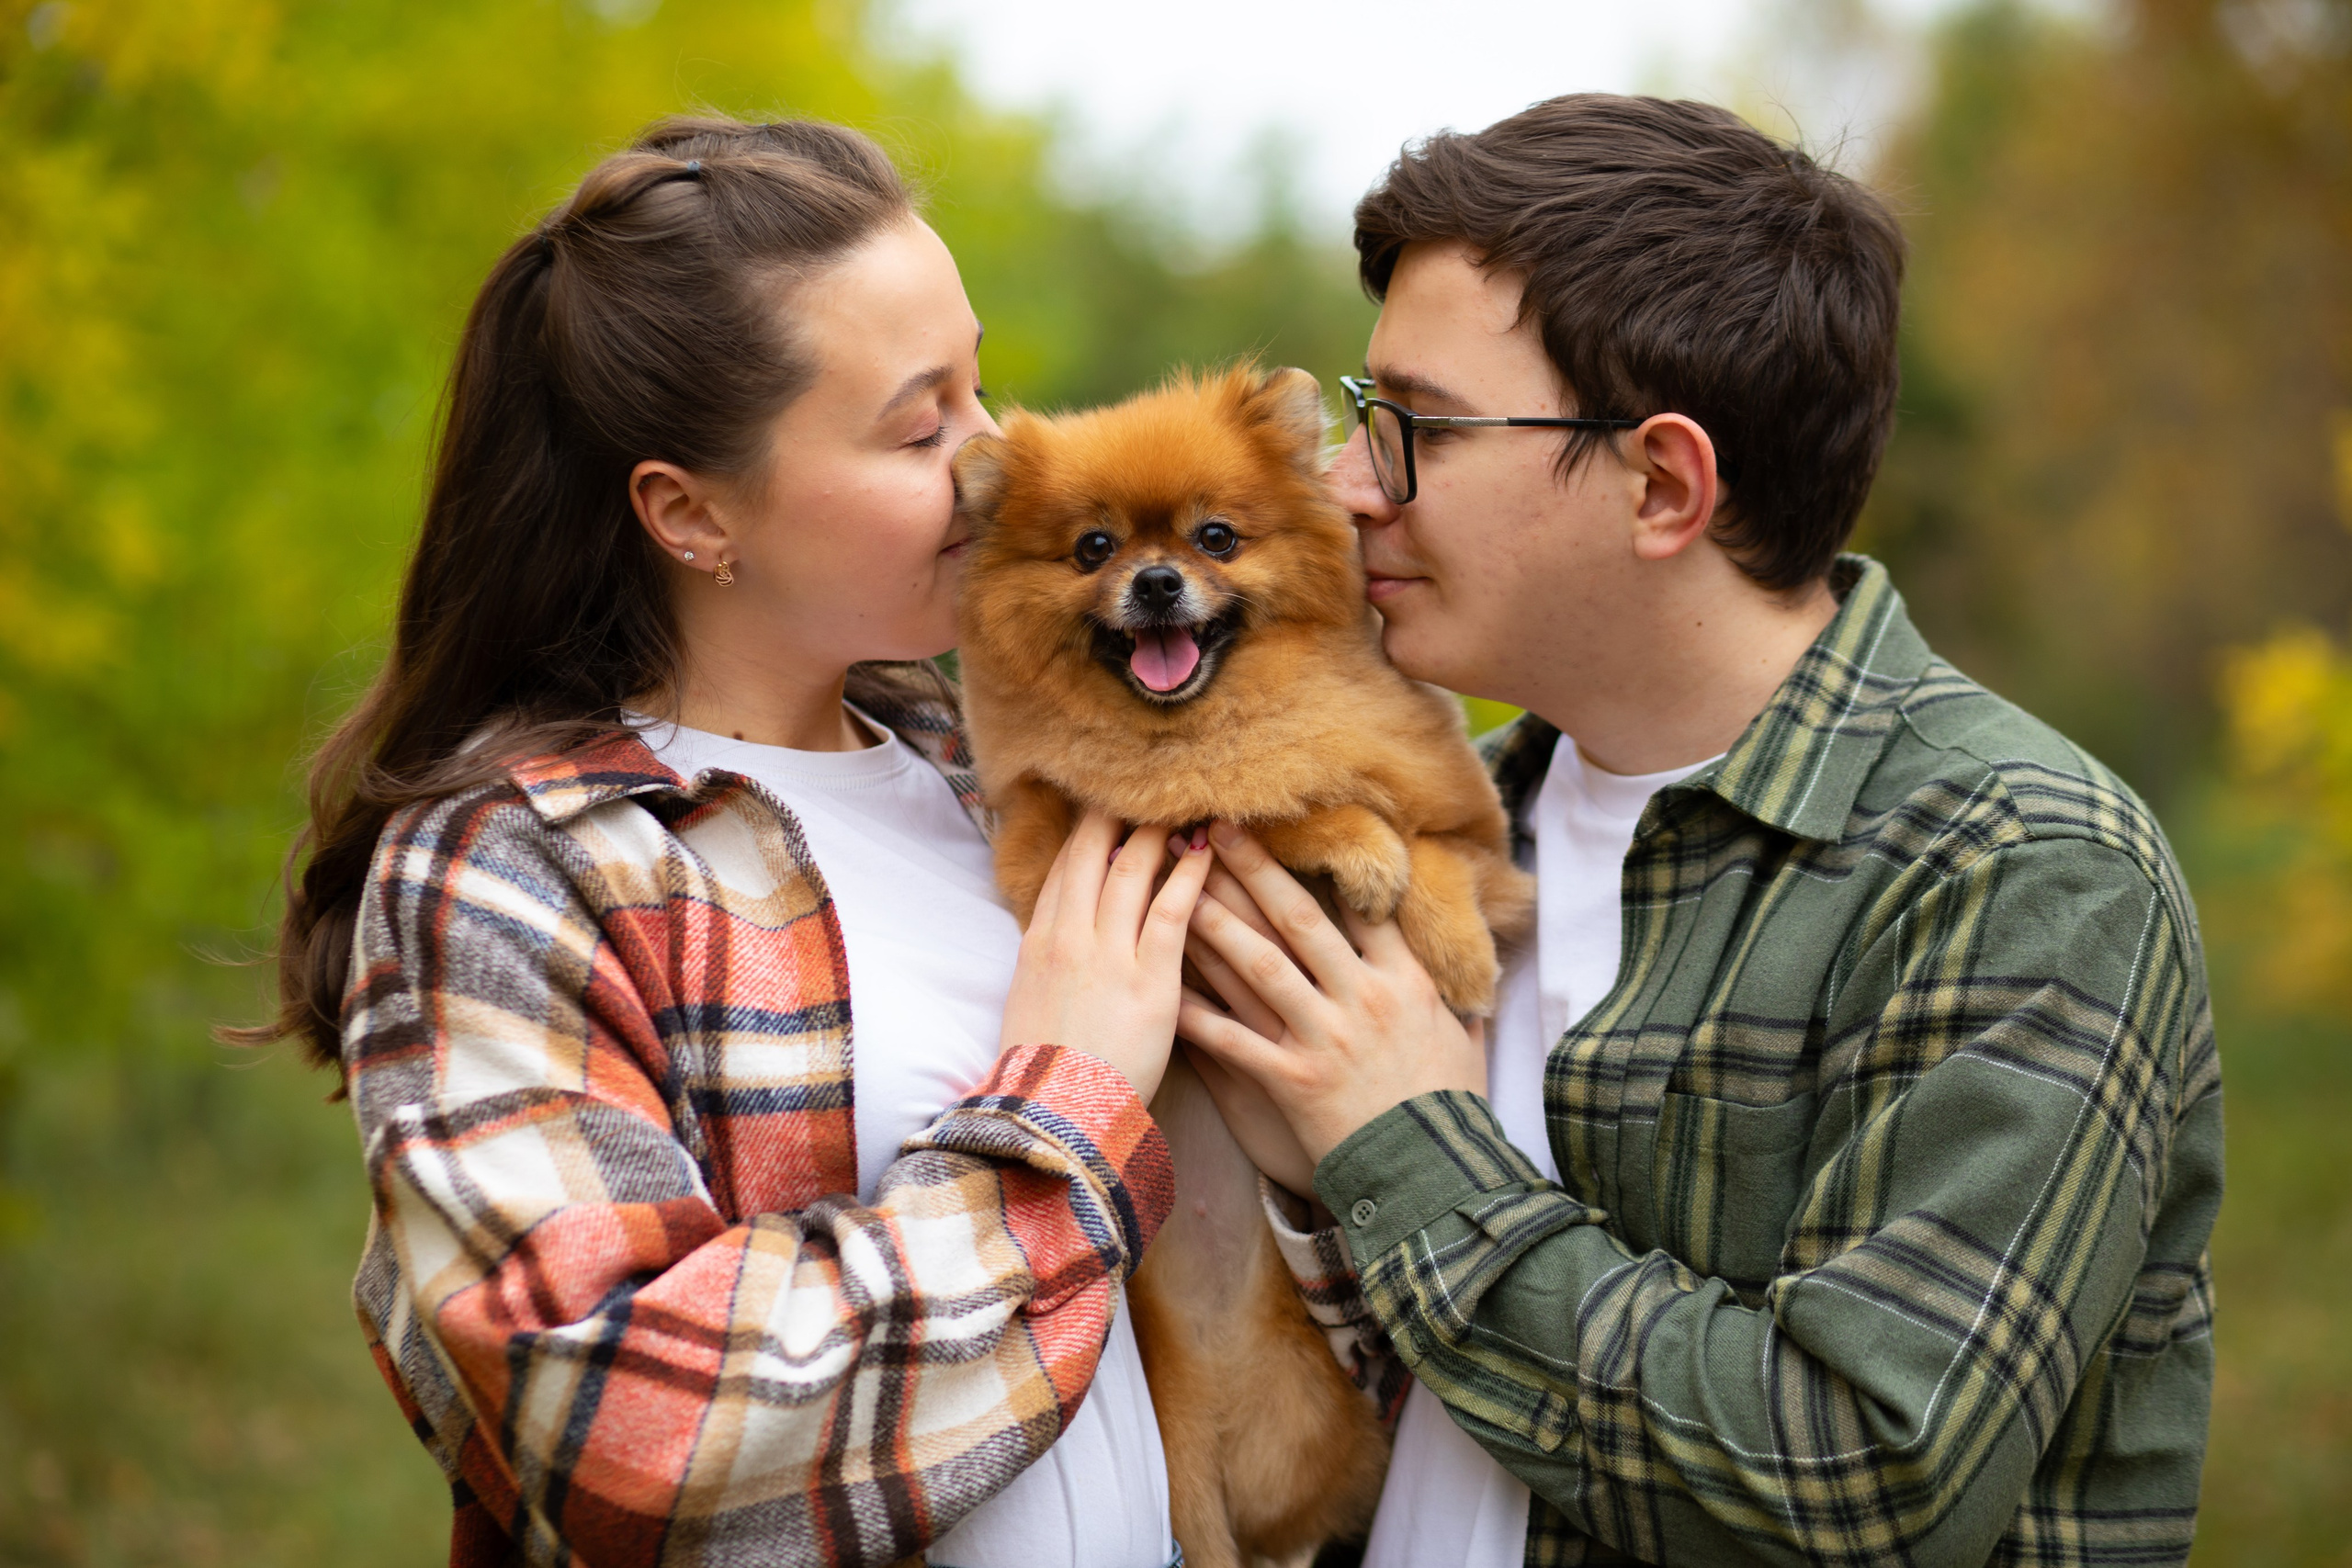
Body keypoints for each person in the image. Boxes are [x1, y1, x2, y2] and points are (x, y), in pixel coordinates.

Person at [1178, 95, 2221, 1568]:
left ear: (1663, 483)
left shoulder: (2018, 865)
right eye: (1363, 419)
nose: (1349, 488)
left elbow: (1866, 1484)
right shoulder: (1451, 835)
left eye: (1418, 428)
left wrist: (1410, 1148)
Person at [243, 115, 1210, 1568]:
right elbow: (623, 1429)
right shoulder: (521, 870)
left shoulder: (992, 768)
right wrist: (1064, 1118)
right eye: (919, 424)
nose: (1006, 455)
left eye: (982, 382)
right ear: (690, 514)